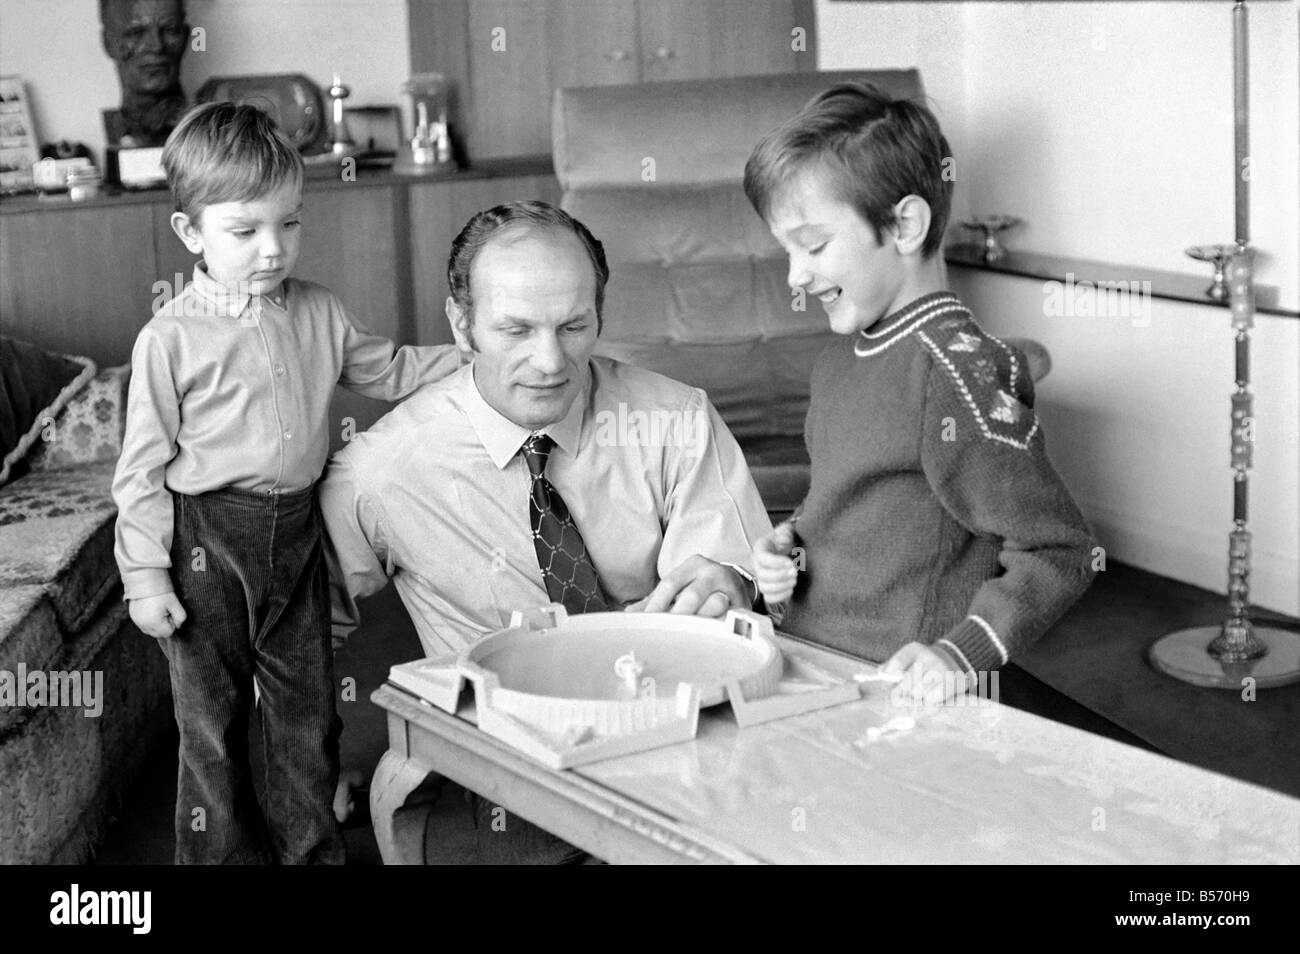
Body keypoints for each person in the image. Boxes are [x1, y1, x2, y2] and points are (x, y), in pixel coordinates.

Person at [321, 200, 772, 862]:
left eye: (573, 325)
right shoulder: (381, 470)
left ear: (600, 316)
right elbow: (295, 634)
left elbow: (730, 565)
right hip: (503, 759)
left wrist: (725, 583)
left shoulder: (676, 419)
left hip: (676, 736)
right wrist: (309, 761)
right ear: (461, 324)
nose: (550, 360)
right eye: (515, 330)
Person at [112, 102, 461, 864]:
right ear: (190, 233)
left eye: (290, 223)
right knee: (213, 720)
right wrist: (143, 575)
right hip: (206, 542)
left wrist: (472, 356)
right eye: (246, 231)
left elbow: (391, 370)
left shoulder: (321, 312)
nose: (274, 250)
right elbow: (140, 471)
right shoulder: (168, 338)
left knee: (307, 715)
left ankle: (312, 852)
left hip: (296, 535)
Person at [744, 82, 1097, 706]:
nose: (796, 276)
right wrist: (788, 542)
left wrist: (961, 654)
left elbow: (1059, 548)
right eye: (787, 251)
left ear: (905, 224)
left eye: (814, 245)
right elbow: (858, 502)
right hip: (813, 659)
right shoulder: (839, 359)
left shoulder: (953, 373)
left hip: (896, 694)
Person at [100, 0, 190, 146]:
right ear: (107, 42)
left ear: (186, 37)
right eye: (136, 32)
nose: (156, 46)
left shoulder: (214, 129)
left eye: (170, 30)